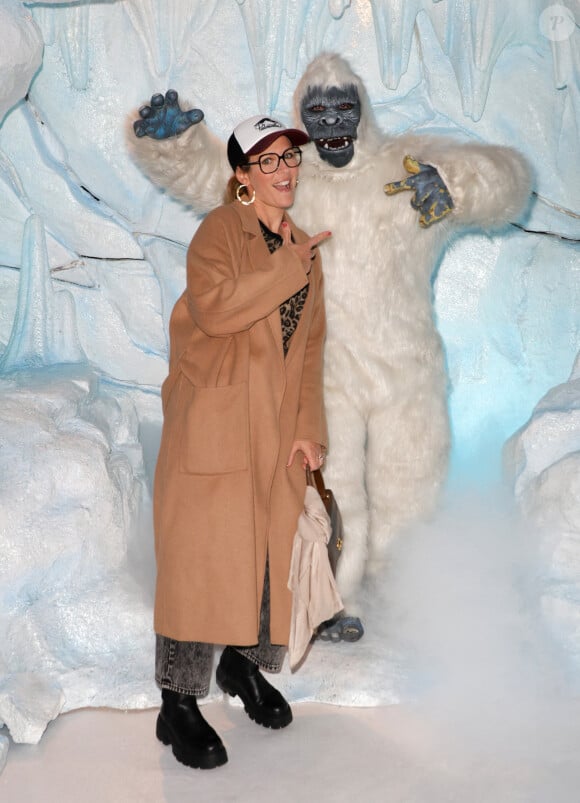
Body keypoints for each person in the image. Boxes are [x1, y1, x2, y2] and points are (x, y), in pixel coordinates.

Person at [152, 114, 332, 770]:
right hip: (217, 421)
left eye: (291, 158)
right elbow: (218, 308)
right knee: (203, 562)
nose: (285, 170)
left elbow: (309, 348)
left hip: (277, 428)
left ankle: (242, 665)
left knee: (266, 561)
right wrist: (288, 266)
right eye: (268, 161)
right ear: (241, 174)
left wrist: (310, 427)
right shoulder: (218, 233)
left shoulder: (302, 244)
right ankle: (177, 703)